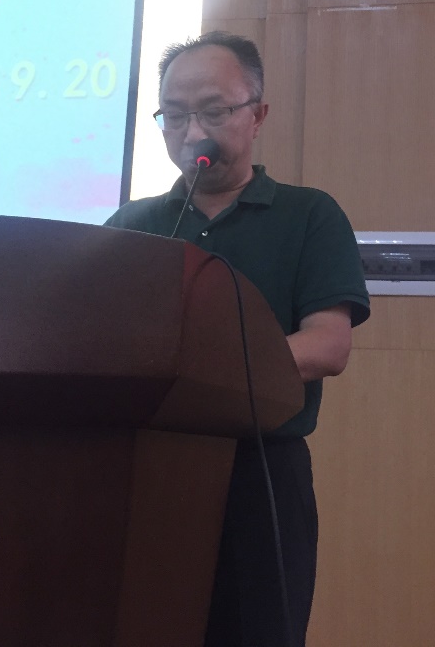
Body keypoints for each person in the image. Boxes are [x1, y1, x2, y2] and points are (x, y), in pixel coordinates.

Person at [105, 32, 370, 647]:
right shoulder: (131, 225)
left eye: (215, 110)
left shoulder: (309, 214)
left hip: (260, 473)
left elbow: (327, 345)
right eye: (175, 115)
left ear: (257, 114)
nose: (193, 131)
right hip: (145, 469)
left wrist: (203, 369)